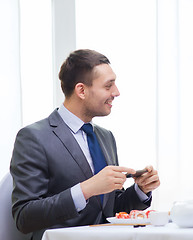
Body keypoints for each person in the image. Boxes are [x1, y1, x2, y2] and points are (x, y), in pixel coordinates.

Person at [10, 49, 160, 240]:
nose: (117, 92)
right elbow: (24, 217)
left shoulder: (106, 137)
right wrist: (86, 189)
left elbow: (109, 211)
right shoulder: (33, 137)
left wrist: (140, 190)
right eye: (108, 86)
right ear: (81, 90)